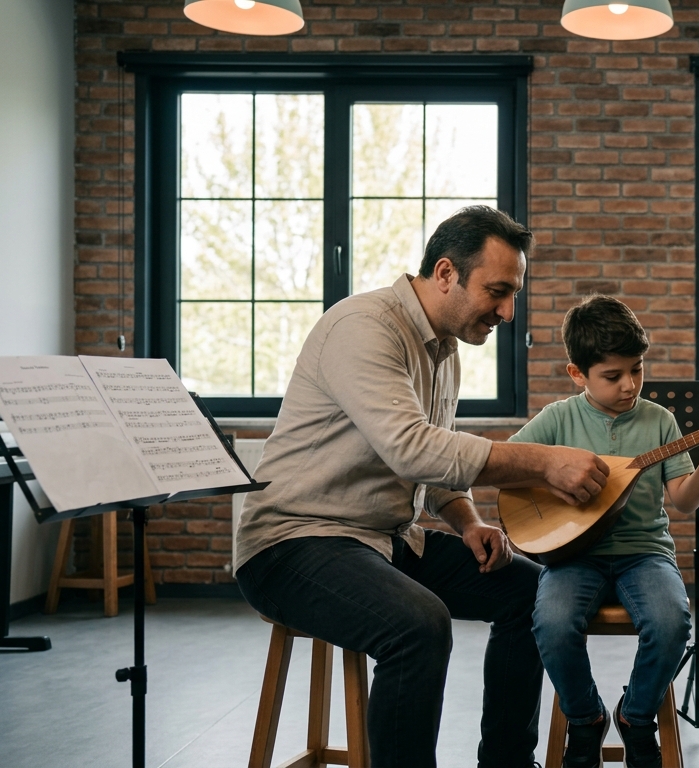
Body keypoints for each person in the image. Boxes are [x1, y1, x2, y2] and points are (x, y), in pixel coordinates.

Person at [233, 206, 610, 768]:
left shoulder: (444, 350)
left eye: (514, 295)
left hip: (384, 541)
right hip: (293, 545)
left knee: (533, 594)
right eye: (498, 291)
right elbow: (412, 446)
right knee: (419, 624)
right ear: (444, 273)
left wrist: (468, 521)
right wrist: (543, 463)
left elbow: (430, 464)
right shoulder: (363, 327)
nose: (508, 311)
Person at [508, 295, 699, 768]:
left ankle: (636, 716)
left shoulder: (660, 421)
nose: (629, 384)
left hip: (644, 553)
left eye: (636, 370)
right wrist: (550, 476)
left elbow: (684, 500)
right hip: (572, 555)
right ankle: (585, 717)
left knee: (672, 621)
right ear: (578, 374)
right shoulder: (559, 418)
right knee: (550, 622)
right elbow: (506, 467)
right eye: (613, 376)